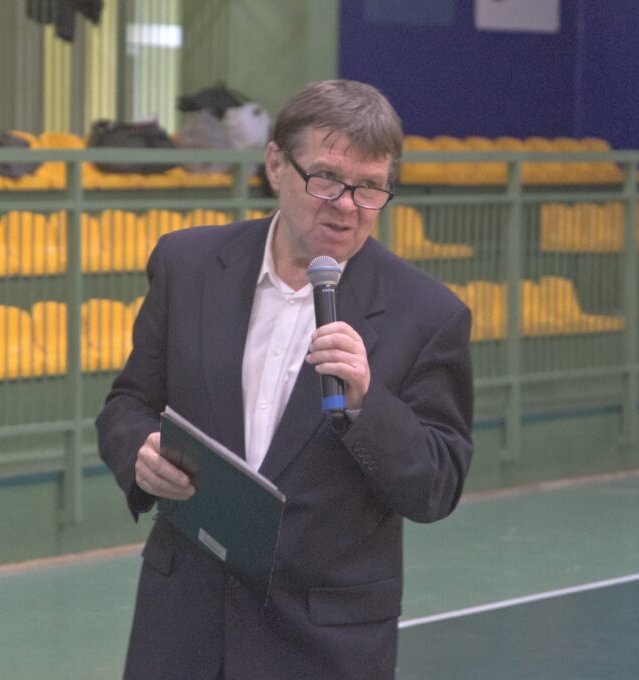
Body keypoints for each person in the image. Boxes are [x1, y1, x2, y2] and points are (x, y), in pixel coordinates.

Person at [96, 79, 474, 680]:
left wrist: (367, 405)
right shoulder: (187, 265)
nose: (346, 205)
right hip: (182, 626)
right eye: (325, 178)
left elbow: (436, 485)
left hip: (322, 644)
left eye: (370, 187)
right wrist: (139, 453)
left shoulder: (427, 314)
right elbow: (128, 403)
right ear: (275, 164)